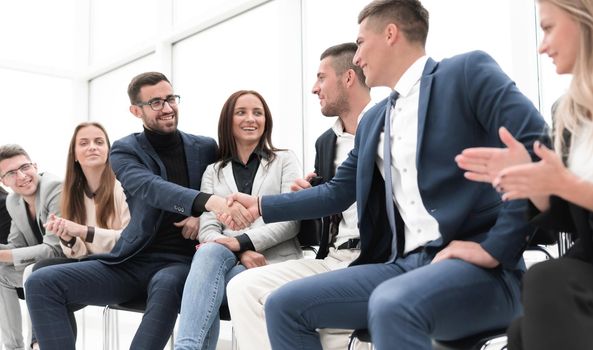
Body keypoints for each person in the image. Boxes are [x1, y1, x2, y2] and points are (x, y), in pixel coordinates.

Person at [222, 1, 549, 349]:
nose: (357, 57)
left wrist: (497, 248)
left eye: (361, 43)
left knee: (393, 303)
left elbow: (538, 147)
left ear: (390, 34)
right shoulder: (376, 120)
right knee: (283, 304)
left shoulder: (467, 72)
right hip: (403, 266)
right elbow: (336, 193)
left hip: (480, 270)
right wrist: (259, 204)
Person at [25, 72, 252, 350]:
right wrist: (206, 202)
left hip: (183, 262)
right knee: (41, 282)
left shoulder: (205, 147)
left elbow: (227, 185)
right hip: (133, 259)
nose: (167, 108)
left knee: (167, 285)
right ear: (136, 110)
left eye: (170, 99)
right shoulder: (124, 150)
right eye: (156, 102)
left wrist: (201, 214)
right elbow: (150, 188)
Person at [455, 1, 593, 349]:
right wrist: (534, 185)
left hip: (574, 274)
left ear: (584, 21)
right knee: (520, 332)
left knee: (547, 280)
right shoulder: (570, 113)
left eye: (547, 28)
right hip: (584, 266)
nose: (541, 45)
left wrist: (567, 185)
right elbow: (566, 222)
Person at [226, 42, 372, 350]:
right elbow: (330, 200)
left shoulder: (387, 127)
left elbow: (340, 195)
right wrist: (311, 196)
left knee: (324, 327)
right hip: (333, 257)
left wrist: (262, 207)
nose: (313, 88)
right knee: (242, 288)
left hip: (373, 259)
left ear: (348, 78)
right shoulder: (325, 143)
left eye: (321, 78)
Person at [174, 90, 303, 350]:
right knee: (209, 257)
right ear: (228, 121)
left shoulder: (285, 160)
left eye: (258, 113)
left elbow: (290, 220)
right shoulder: (213, 171)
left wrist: (242, 242)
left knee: (206, 288)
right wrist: (242, 249)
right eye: (241, 112)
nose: (251, 119)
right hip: (228, 260)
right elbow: (207, 229)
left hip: (273, 262)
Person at [28, 122, 131, 349]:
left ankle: (38, 344)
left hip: (121, 268)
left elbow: (130, 239)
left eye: (99, 142)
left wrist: (83, 231)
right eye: (83, 143)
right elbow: (78, 253)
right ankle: (39, 344)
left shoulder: (122, 186)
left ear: (108, 150)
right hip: (91, 266)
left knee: (44, 283)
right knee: (41, 268)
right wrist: (67, 237)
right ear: (74, 154)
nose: (92, 147)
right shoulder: (72, 192)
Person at [0, 144, 62, 350]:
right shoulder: (13, 201)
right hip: (41, 267)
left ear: (35, 166)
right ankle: (13, 347)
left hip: (77, 263)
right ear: (3, 181)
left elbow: (55, 249)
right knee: (1, 272)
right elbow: (15, 245)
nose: (21, 176)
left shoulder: (55, 188)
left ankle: (35, 345)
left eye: (25, 167)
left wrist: (3, 254)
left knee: (32, 274)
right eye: (11, 173)